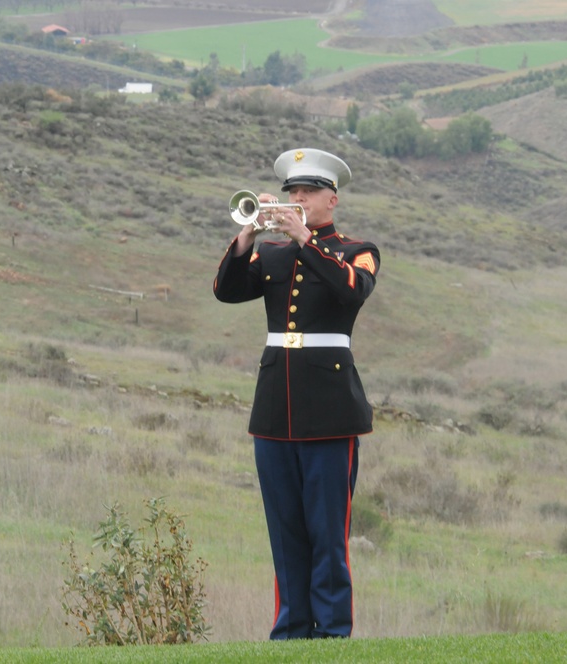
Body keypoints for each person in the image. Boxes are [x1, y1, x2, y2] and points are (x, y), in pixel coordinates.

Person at [213, 148, 380, 640]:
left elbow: (352, 290)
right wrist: (247, 234)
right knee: (285, 534)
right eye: (292, 193)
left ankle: (331, 634)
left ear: (332, 199)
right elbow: (226, 290)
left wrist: (305, 238)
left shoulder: (356, 250)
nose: (297, 199)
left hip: (331, 413)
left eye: (307, 193)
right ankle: (289, 632)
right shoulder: (271, 253)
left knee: (328, 536)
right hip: (273, 412)